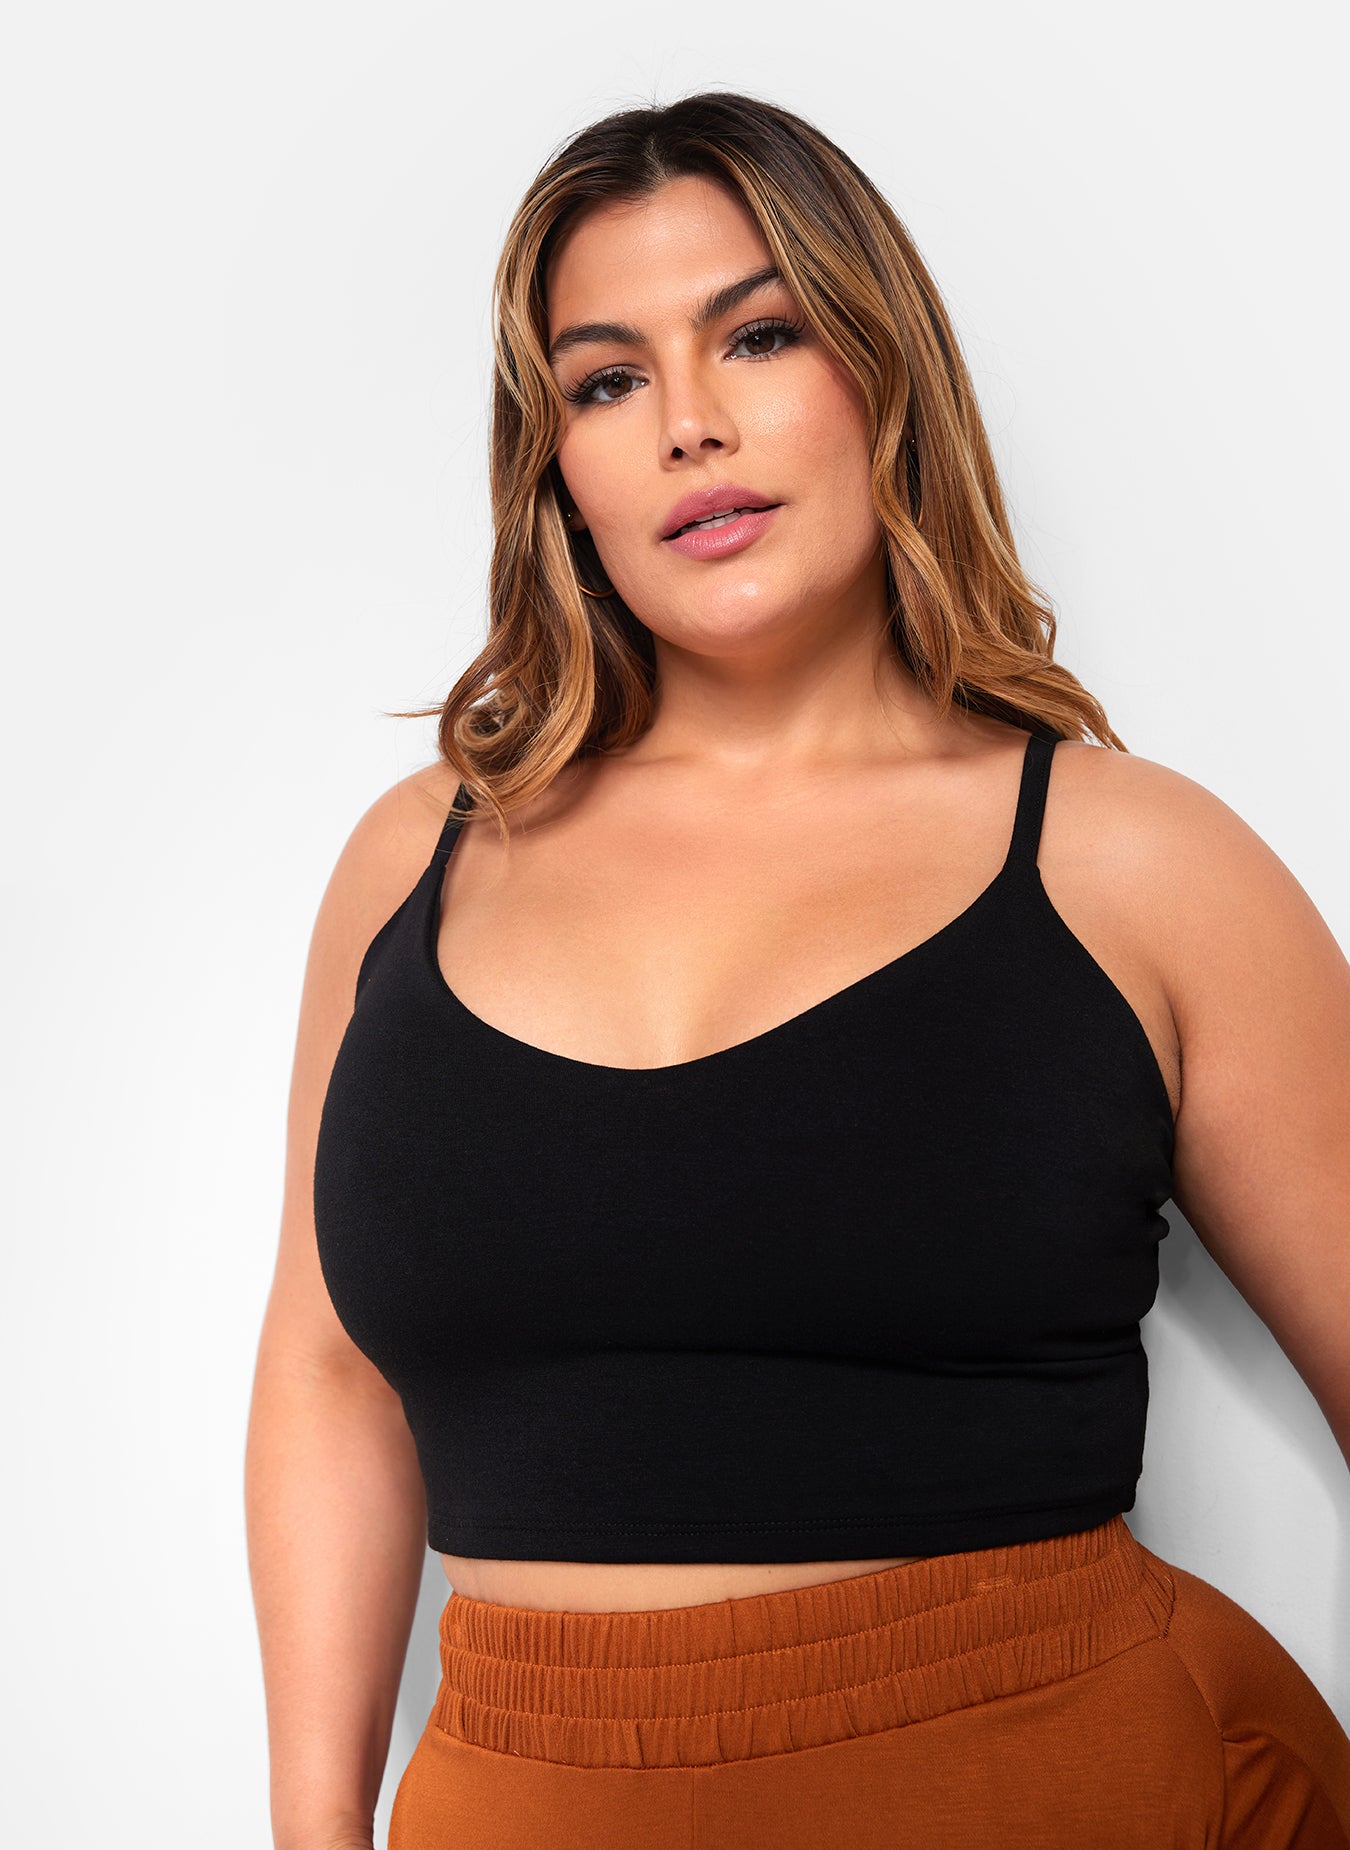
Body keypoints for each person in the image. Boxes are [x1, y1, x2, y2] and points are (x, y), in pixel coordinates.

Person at [244, 90, 1350, 1849]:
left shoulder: (1133, 861)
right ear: (555, 466)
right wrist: (313, 1830)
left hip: (1051, 1784)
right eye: (606, 380)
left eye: (757, 336)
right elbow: (326, 1373)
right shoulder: (417, 861)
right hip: (516, 1792)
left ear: (882, 378)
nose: (689, 423)